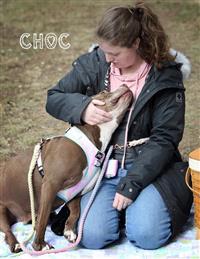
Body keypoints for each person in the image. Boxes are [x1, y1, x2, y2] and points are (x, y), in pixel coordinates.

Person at [46, 2, 193, 250]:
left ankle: (138, 209)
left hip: (150, 166)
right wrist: (83, 107)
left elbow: (165, 138)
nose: (107, 58)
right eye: (104, 51)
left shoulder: (165, 76)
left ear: (136, 43)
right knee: (92, 237)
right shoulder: (94, 63)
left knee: (147, 236)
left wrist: (132, 185)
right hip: (102, 167)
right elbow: (54, 97)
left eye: (114, 53)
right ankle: (126, 210)